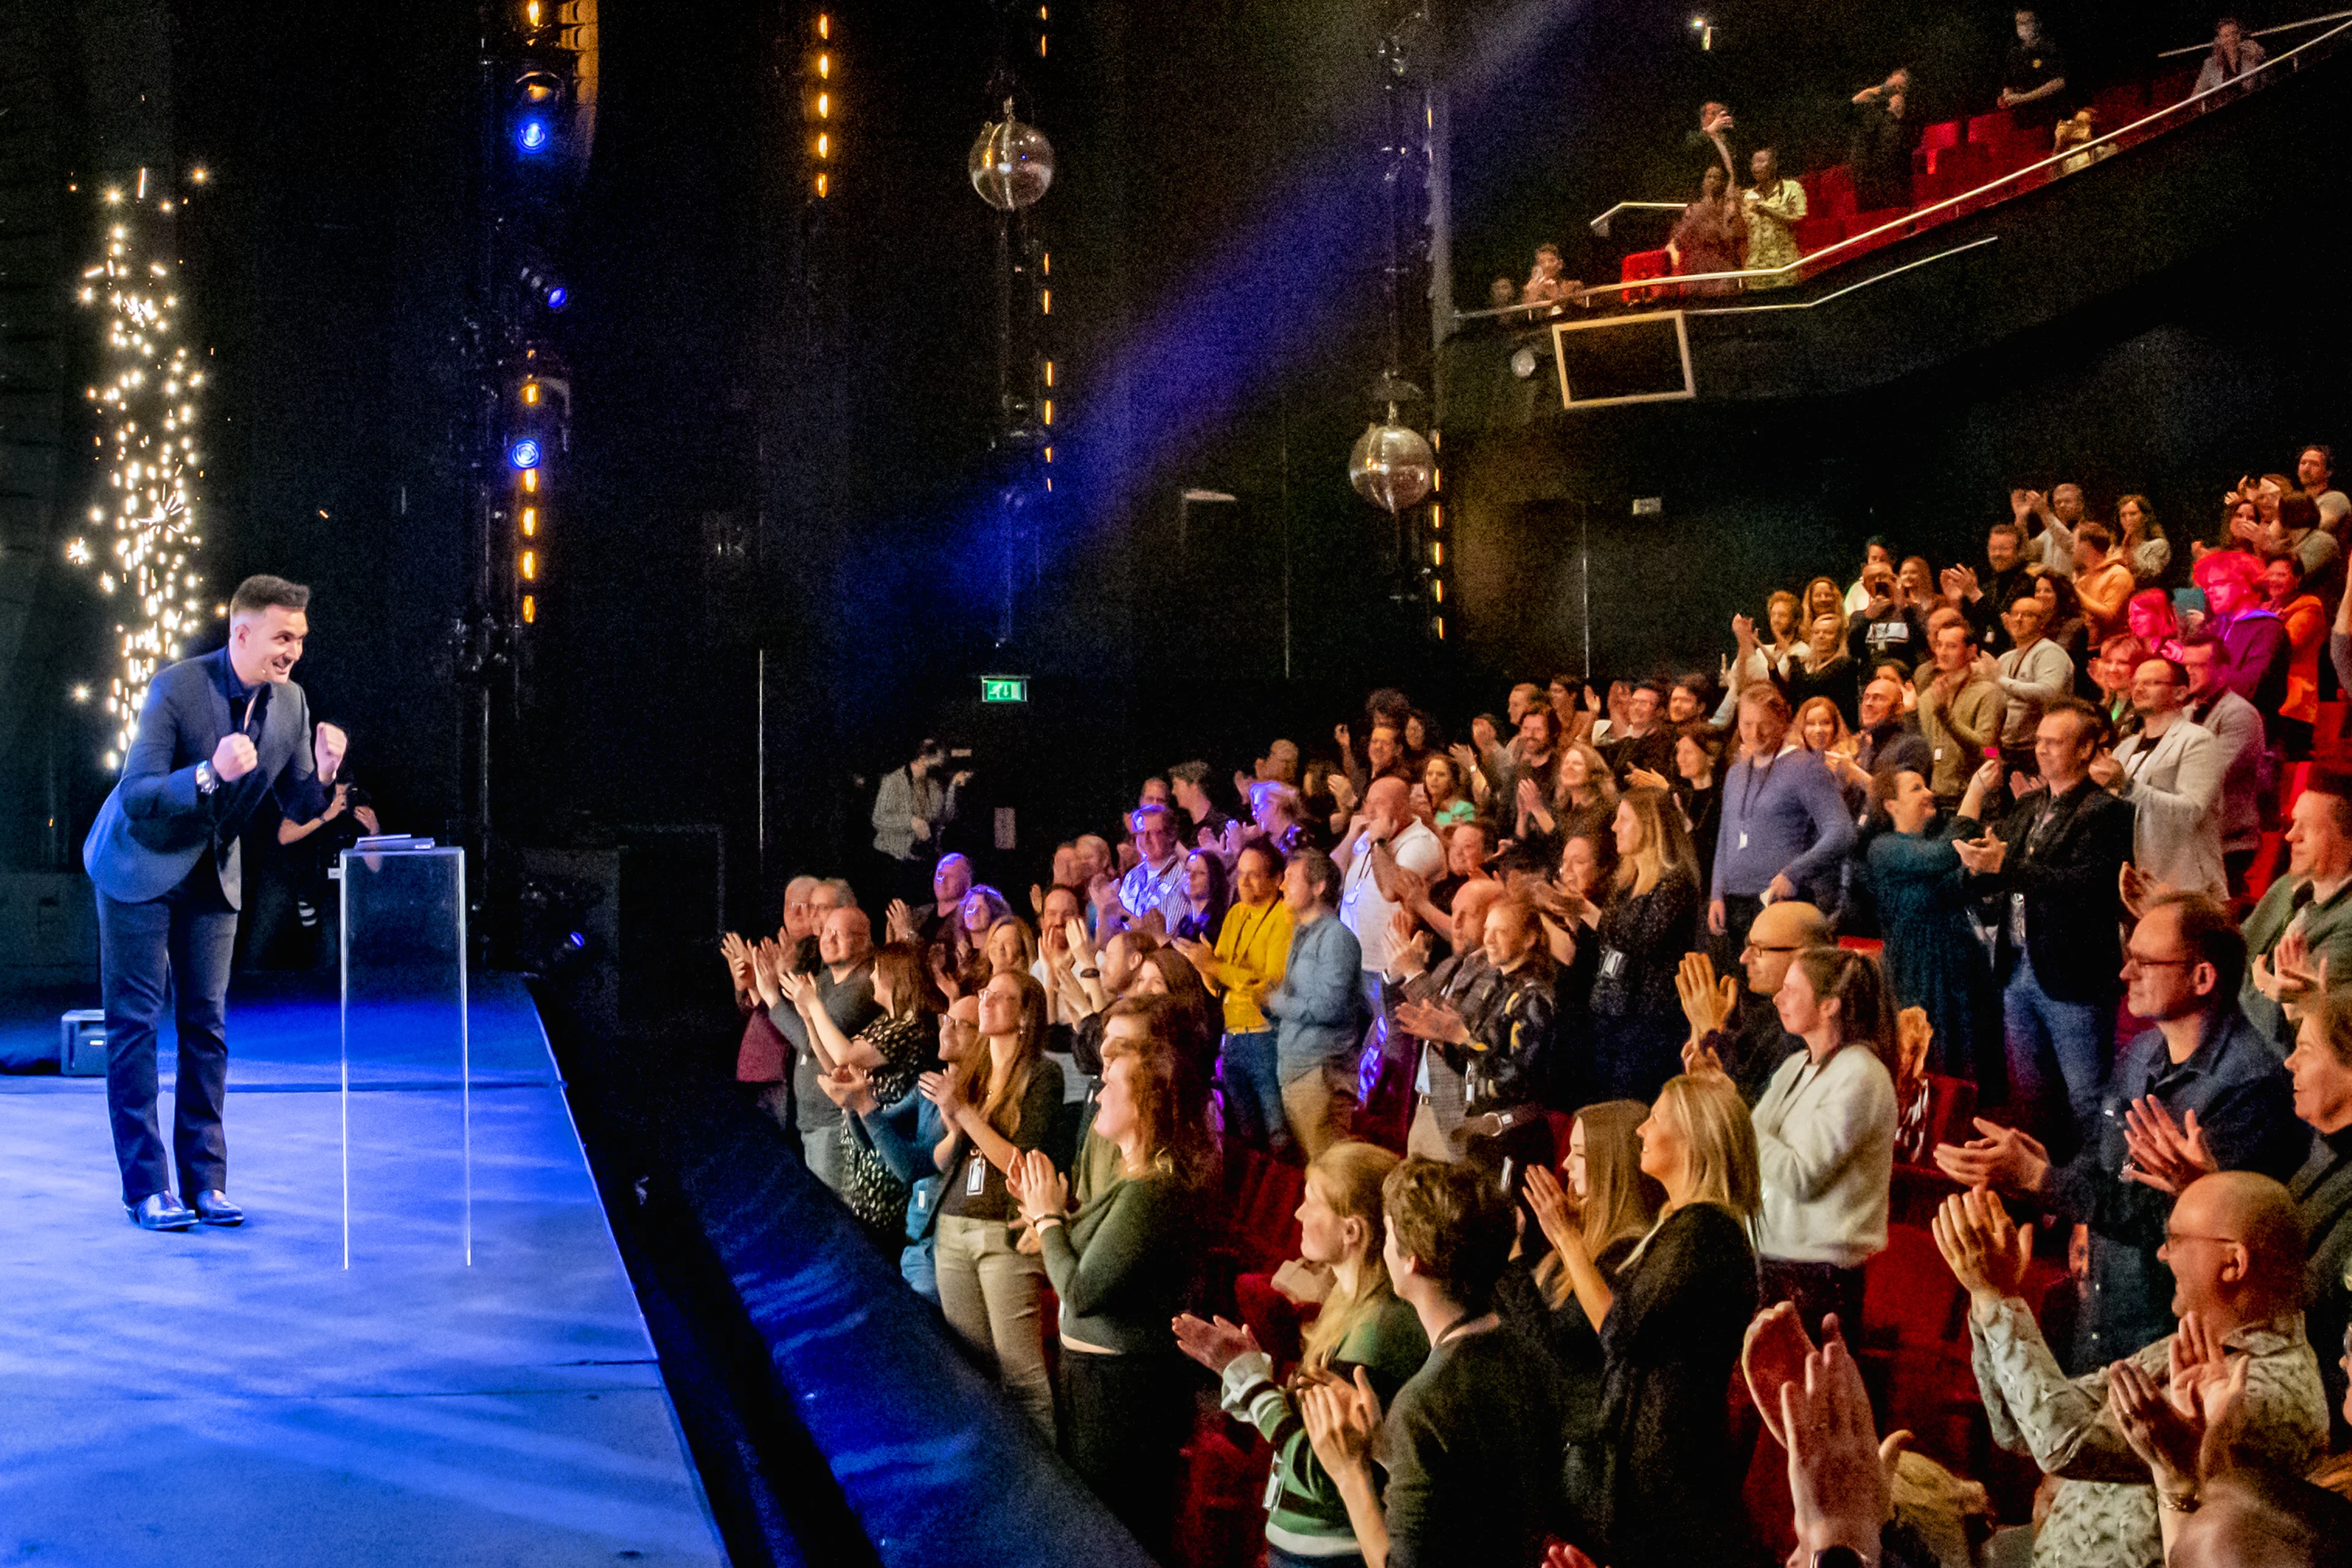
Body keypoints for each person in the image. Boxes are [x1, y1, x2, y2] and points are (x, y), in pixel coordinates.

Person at [1936, 892, 2304, 1365]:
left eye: (2145, 962)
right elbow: (2104, 1161)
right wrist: (2065, 1190)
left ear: (2203, 977)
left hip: (2169, 1335)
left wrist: (2040, 1179)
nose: (2125, 973)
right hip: (2103, 1305)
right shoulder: (2142, 1054)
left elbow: (2167, 1219)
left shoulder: (2252, 1087)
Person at [83, 574, 347, 1230]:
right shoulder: (177, 686)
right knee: (136, 1025)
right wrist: (208, 773)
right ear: (242, 633)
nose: (293, 651)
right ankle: (146, 1189)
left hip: (212, 872)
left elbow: (300, 807)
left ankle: (206, 1183)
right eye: (282, 637)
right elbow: (139, 792)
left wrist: (325, 770)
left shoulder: (291, 704)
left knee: (206, 1025)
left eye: (300, 639)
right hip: (139, 862)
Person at [1934, 1172, 2326, 1568]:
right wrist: (1987, 1303)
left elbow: (2065, 1444)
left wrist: (1999, 1299)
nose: (2162, 1254)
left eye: (2176, 1239)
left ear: (2233, 1263)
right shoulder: (2197, 1345)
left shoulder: (2266, 1390)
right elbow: (2019, 1429)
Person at [1300, 1157, 1572, 1568]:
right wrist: (1388, 1452)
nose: (1384, 1247)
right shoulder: (1529, 1354)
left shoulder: (1424, 1403)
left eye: (1389, 1234)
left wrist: (1349, 1473)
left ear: (1414, 1261)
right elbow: (1482, 1507)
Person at [1544, 1074, 1763, 1567]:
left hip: (1670, 1476)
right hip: (1655, 1462)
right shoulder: (1684, 1225)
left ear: (1693, 1137)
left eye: (1656, 1119)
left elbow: (1620, 1332)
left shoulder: (1704, 1232)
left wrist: (1569, 1241)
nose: (1642, 1131)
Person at [1178, 1141, 1430, 1568]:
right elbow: (1311, 1432)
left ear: (1352, 1231)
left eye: (1312, 1202)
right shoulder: (1348, 1304)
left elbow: (1323, 1474)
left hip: (1332, 1554)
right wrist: (1251, 1375)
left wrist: (1253, 1384)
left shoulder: (1379, 1328)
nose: (1297, 1214)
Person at [1008, 1009, 1199, 1557]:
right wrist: (1046, 1221)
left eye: (1111, 1084)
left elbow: (1081, 1291)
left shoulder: (1151, 1192)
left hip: (1122, 1399)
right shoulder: (1131, 1181)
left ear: (1144, 1104)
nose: (1098, 1093)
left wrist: (1048, 1221)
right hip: (1095, 1385)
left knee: (1116, 1534)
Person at [2124, 987, 2352, 1442]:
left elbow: (2299, 1296)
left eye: (2305, 1051)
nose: (2289, 1064)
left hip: (2304, 1419)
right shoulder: (2323, 1149)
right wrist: (2204, 1193)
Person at [1689, 946, 1895, 1341]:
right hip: (1769, 1262)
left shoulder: (1861, 1074)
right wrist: (1717, 1093)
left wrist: (1733, 1103)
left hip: (1820, 1278)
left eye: (1791, 990)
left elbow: (1801, 1176)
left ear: (1830, 1005)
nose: (1778, 999)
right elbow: (1747, 1147)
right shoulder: (1794, 1067)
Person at [1951, 703, 2134, 1135]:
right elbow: (2006, 873)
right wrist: (1978, 868)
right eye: (2039, 741)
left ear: (2087, 749)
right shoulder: (2030, 804)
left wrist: (2004, 867)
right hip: (2017, 964)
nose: (2042, 750)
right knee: (2032, 1091)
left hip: (2073, 972)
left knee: (2087, 1094)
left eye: (2055, 742)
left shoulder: (2109, 812)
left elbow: (2089, 886)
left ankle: (2092, 1188)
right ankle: (2041, 1180)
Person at [928, 969, 1067, 1438]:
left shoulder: (1043, 1075)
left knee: (1021, 1375)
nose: (984, 1001)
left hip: (1002, 1229)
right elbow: (942, 1155)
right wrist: (953, 1123)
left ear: (1026, 1016)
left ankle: (1045, 1489)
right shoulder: (975, 1069)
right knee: (970, 1371)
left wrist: (964, 1112)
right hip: (953, 1221)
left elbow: (1020, 1162)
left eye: (999, 997)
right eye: (984, 993)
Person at [785, 940, 939, 1245]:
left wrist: (817, 1004)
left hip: (887, 1151)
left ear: (894, 976)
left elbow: (845, 1054)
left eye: (877, 971)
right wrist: (807, 1018)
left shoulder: (911, 1027)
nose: (870, 977)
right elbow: (833, 1063)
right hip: (865, 1146)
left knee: (878, 1243)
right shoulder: (887, 1022)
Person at [1393, 897, 1556, 1182]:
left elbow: (1514, 1079)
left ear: (1530, 938)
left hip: (1512, 1139)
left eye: (1501, 932)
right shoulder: (1496, 986)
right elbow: (1472, 1066)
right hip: (1480, 1137)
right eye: (1487, 930)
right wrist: (1446, 1041)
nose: (1489, 939)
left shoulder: (1535, 997)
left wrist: (1460, 1037)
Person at [1869, 765, 2001, 1085]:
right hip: (1916, 974)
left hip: (1961, 969)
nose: (1929, 794)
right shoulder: (1884, 848)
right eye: (1916, 789)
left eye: (1926, 786)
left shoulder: (1937, 845)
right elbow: (1940, 856)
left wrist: (1981, 865)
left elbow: (1954, 883)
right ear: (1891, 805)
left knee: (1971, 1069)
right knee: (1927, 1065)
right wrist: (1974, 794)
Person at [1709, 685, 1856, 972]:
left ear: (1784, 723)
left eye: (1764, 724)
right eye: (1747, 724)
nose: (1755, 733)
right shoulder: (1736, 772)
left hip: (1780, 903)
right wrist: (1717, 893)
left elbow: (1842, 832)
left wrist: (1795, 872)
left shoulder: (1805, 768)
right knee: (1739, 1000)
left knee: (1777, 1003)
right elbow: (1725, 836)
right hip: (1734, 904)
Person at [843, 993, 979, 1300]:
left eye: (961, 1025)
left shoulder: (976, 1098)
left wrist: (866, 1107)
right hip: (916, 1240)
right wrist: (852, 1105)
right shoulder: (929, 1087)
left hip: (944, 1247)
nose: (946, 1030)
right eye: (947, 1020)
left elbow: (911, 1167)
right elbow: (872, 1139)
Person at [1578, 790, 1702, 1104]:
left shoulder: (1676, 885)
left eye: (1624, 820)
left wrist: (1585, 910)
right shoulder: (1624, 883)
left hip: (1648, 1026)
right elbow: (1610, 937)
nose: (1614, 827)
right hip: (1608, 1014)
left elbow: (1642, 941)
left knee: (1631, 1109)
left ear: (1649, 826)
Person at [1178, 841, 1293, 1155]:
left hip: (1266, 1036)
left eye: (1254, 875)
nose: (1243, 882)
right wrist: (1202, 965)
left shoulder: (1285, 916)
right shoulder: (1235, 914)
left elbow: (1269, 986)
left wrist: (1214, 965)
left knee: (1278, 1136)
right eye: (1240, 873)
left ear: (1277, 879)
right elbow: (1219, 986)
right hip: (1233, 1037)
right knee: (1243, 1136)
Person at [1387, 878, 1508, 1163]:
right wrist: (1396, 973)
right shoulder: (1450, 965)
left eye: (1470, 914)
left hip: (1457, 1116)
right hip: (1425, 1107)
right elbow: (1401, 1020)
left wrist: (1415, 975)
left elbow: (1451, 1029)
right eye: (1455, 912)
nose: (1456, 922)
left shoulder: (1497, 975)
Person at [2238, 771, 2352, 1054]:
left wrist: (2265, 993)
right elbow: (2231, 953)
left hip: (2272, 1066)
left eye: (2308, 828)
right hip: (2231, 1038)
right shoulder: (2288, 884)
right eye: (2293, 823)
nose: (2290, 836)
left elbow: (2298, 1029)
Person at [2097, 657, 2227, 903]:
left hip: (2181, 884)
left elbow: (2191, 811)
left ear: (2180, 692)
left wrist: (2126, 787)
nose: (2138, 689)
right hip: (2130, 881)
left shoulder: (2198, 741)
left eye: (2151, 683)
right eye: (2135, 682)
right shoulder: (2124, 748)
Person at [1264, 848, 1366, 1159]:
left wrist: (1276, 1001)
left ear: (1319, 886)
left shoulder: (1336, 938)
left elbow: (1329, 1008)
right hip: (1299, 1072)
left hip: (1320, 1075)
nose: (1282, 886)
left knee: (1329, 1173)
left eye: (1291, 879)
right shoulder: (1302, 934)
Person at [1676, 897, 1828, 1105]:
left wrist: (1710, 1031)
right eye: (1748, 946)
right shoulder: (1765, 1015)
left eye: (1760, 950)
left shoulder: (1812, 1032)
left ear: (1806, 955)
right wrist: (1712, 1030)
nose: (1744, 958)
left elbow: (1748, 1108)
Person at [2179, 633, 2269, 892]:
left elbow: (2207, 775)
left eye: (2197, 666)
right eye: (2185, 665)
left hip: (2228, 843)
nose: (2188, 673)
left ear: (2223, 669)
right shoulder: (2186, 711)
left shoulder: (2239, 714)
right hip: (2193, 838)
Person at [2195, 549, 2291, 727]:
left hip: (2251, 728)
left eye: (2220, 584)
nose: (2211, 592)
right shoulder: (2217, 626)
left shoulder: (2268, 629)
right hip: (2211, 722)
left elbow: (2252, 688)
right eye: (2209, 586)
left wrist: (2206, 670)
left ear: (2246, 584)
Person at [1915, 619, 2002, 809]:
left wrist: (1945, 716)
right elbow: (1922, 746)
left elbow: (1987, 749)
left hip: (1974, 799)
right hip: (1936, 798)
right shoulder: (1928, 696)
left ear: (1971, 651)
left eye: (1952, 646)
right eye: (1939, 645)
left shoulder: (1988, 693)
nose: (1943, 653)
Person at [872, 738, 970, 899]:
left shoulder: (932, 785)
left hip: (925, 860)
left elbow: (945, 817)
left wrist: (953, 787)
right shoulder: (894, 782)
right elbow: (879, 819)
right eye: (935, 764)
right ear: (922, 758)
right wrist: (910, 822)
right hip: (897, 863)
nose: (938, 769)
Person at [2264, 554, 2326, 761]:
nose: (2273, 579)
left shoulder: (2310, 607)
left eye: (2281, 575)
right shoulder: (2265, 607)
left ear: (2298, 578)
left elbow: (2283, 646)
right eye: (2270, 574)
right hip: (2269, 701)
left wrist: (2270, 625)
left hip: (2294, 706)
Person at [1667, 161, 1746, 296]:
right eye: (1708, 177)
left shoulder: (1730, 209)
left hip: (1724, 270)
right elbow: (1680, 242)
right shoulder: (1693, 209)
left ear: (1724, 184)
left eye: (1716, 178)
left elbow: (1733, 238)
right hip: (1697, 272)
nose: (1711, 181)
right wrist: (1698, 216)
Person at [1112, 802, 1191, 935]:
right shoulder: (1133, 877)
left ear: (1171, 836)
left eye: (1155, 833)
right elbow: (1114, 928)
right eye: (1141, 833)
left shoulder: (1184, 877)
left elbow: (1169, 936)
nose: (1146, 840)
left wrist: (1124, 915)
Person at [1847, 67, 1913, 212]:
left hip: (1892, 176)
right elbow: (1854, 127)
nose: (1896, 90)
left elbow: (1906, 145)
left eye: (1900, 87)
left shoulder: (1909, 112)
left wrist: (1899, 117)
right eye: (1893, 85)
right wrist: (1857, 100)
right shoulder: (1874, 104)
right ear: (1887, 82)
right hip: (1867, 174)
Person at [1741, 145, 1806, 281]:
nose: (1756, 166)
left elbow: (1800, 221)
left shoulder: (1792, 188)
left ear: (1774, 165)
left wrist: (1769, 212)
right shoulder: (1747, 196)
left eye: (1761, 161)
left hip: (1784, 267)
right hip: (1756, 271)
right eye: (1753, 162)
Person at [1999, 9, 2070, 130]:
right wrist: (2007, 98)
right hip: (2023, 119)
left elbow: (2059, 82)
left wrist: (2024, 98)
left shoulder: (2049, 47)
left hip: (2050, 116)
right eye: (2020, 23)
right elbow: (2008, 83)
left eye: (2027, 22)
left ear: (2038, 24)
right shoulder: (2014, 53)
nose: (2023, 27)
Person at [2072, 522, 2136, 644]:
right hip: (2088, 645)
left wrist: (2075, 592)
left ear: (2087, 545)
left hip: (2114, 647)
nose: (2072, 548)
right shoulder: (2084, 580)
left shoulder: (2118, 574)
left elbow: (2110, 616)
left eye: (2075, 543)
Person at [2194, 15, 2267, 96]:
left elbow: (2268, 80)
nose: (2231, 39)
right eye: (2226, 36)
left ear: (2240, 35)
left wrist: (2258, 53)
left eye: (2235, 34)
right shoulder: (2210, 64)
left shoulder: (2252, 54)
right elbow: (2197, 94)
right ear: (2220, 40)